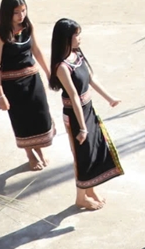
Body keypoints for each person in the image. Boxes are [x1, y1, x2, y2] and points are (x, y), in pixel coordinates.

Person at [50, 18, 123, 210]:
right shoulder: (62, 67)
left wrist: (110, 98)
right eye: (76, 34)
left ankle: (90, 189)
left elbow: (90, 79)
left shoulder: (77, 55)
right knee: (82, 155)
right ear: (66, 38)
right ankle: (80, 197)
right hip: (76, 115)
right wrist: (82, 127)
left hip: (88, 110)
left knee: (92, 151)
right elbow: (73, 97)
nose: (79, 38)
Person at [0, 0, 54, 171]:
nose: (21, 15)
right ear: (7, 13)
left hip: (33, 80)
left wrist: (49, 74)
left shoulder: (28, 27)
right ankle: (30, 154)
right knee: (22, 120)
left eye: (23, 10)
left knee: (40, 114)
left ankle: (39, 150)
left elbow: (36, 50)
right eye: (16, 12)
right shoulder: (0, 35)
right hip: (13, 86)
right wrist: (0, 94)